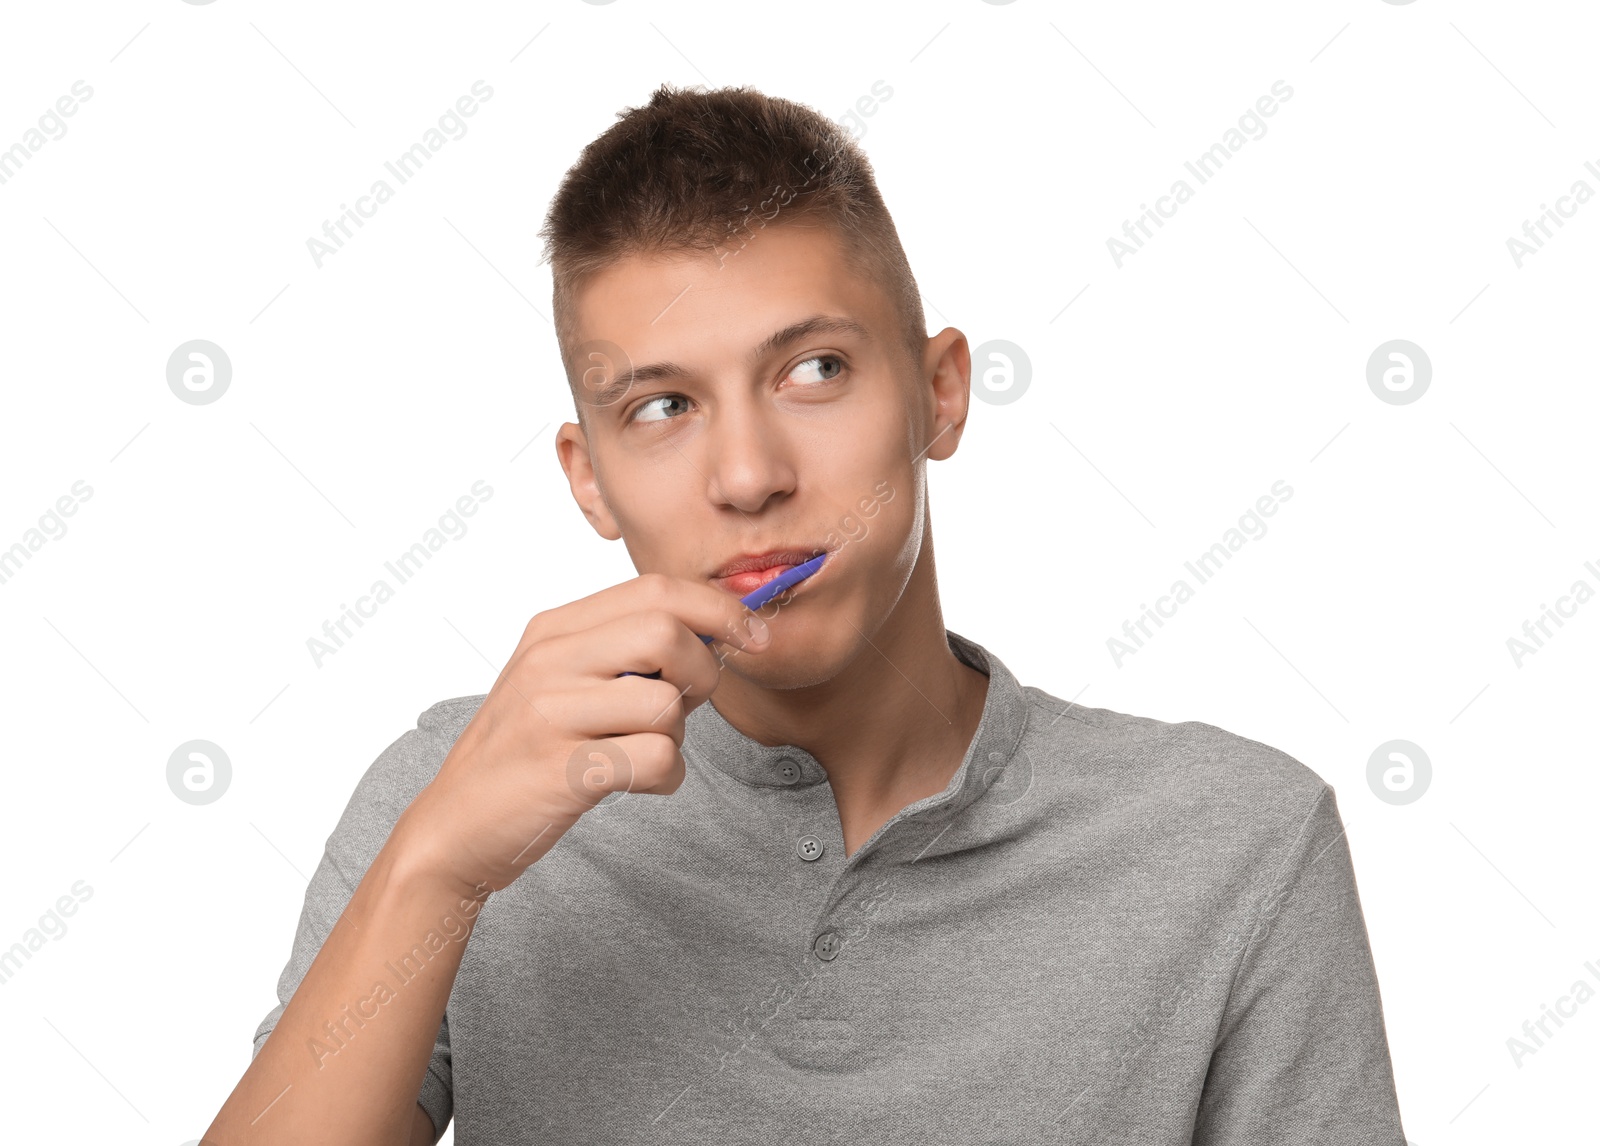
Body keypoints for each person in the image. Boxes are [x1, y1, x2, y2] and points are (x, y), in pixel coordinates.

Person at [204, 83, 1406, 1144]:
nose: (746, 475)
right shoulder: (453, 797)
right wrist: (434, 872)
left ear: (939, 394)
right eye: (663, 407)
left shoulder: (1238, 843)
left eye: (813, 370)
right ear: (589, 479)